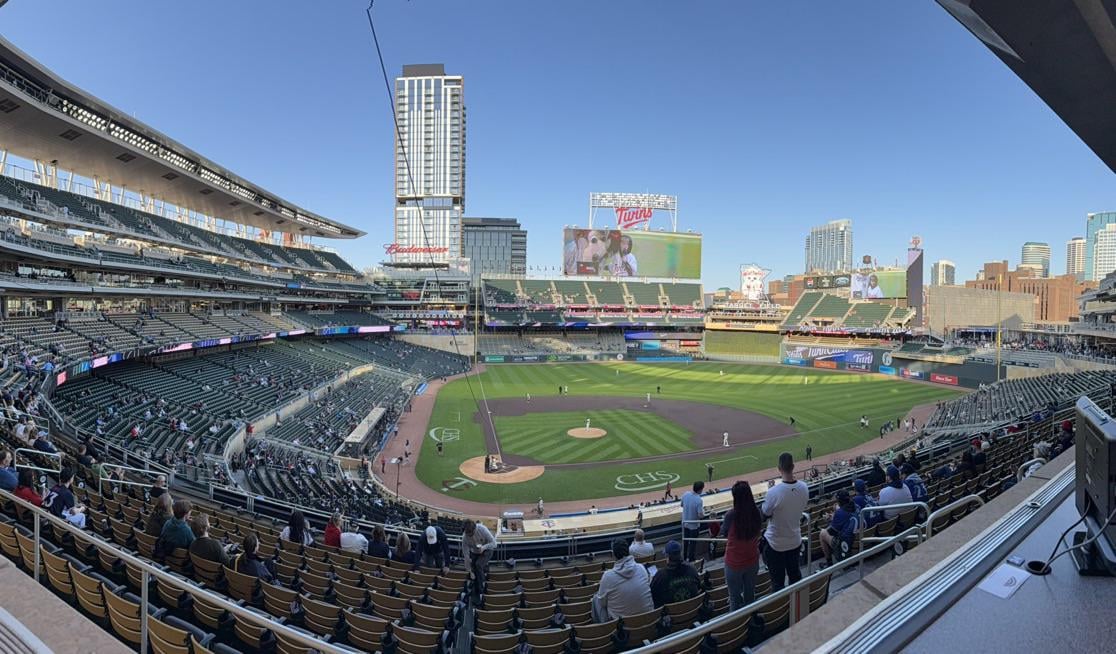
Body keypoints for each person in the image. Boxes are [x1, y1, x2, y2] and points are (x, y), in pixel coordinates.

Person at [761, 452, 809, 592]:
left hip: (775, 544)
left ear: (779, 468)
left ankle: (781, 605)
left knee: (777, 583)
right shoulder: (804, 487)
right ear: (793, 466)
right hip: (795, 541)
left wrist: (771, 492)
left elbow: (764, 514)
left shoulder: (773, 492)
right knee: (795, 577)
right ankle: (797, 604)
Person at [722, 480, 762, 611]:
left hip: (734, 564)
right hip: (752, 560)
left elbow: (724, 533)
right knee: (750, 596)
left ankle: (736, 623)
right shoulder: (757, 512)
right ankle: (750, 619)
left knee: (734, 598)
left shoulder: (730, 515)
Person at [593, 537, 654, 621]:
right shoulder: (641, 568)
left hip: (622, 627)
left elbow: (602, 603)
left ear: (613, 555)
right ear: (628, 551)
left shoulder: (607, 576)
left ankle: (603, 628)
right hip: (648, 621)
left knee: (596, 598)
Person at [650, 540, 701, 608]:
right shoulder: (692, 569)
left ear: (667, 556)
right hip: (693, 610)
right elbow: (698, 586)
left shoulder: (660, 576)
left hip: (672, 613)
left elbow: (652, 596)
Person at [820, 491, 860, 566]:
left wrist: (829, 520)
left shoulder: (840, 512)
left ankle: (829, 562)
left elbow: (832, 532)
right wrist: (834, 518)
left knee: (822, 533)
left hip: (846, 543)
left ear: (839, 501)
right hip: (858, 539)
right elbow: (848, 519)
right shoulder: (856, 506)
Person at [462, 520, 497, 591]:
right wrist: (469, 570)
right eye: (468, 535)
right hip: (475, 551)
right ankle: (478, 581)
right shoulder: (465, 537)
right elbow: (466, 555)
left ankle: (482, 587)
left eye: (471, 534)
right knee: (473, 568)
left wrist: (483, 547)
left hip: (487, 549)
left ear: (475, 529)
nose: (470, 536)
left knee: (478, 565)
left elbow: (494, 544)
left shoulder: (482, 529)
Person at [681, 481, 706, 562]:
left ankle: (684, 557)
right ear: (700, 489)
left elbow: (682, 505)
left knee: (685, 542)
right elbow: (700, 515)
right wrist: (704, 512)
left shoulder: (685, 494)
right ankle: (691, 559)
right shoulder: (699, 500)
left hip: (685, 523)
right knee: (692, 543)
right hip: (694, 526)